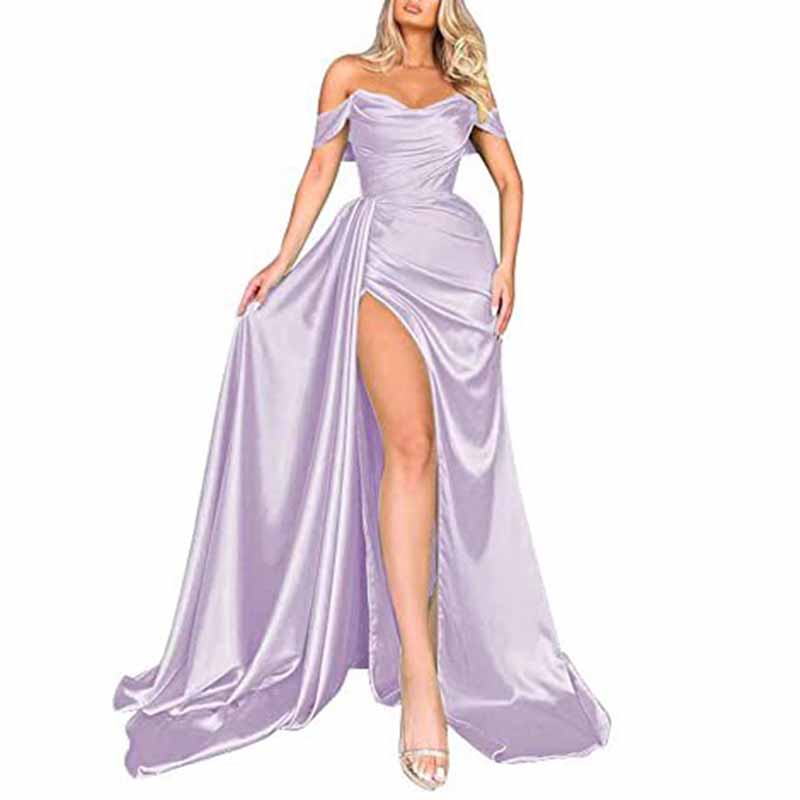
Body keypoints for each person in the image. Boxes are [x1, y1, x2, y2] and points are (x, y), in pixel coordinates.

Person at [113, 0, 610, 789]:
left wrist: (510, 269)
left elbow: (512, 181)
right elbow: (319, 171)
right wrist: (281, 261)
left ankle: (437, 639)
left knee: (448, 463)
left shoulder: (467, 84)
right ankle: (419, 675)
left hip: (457, 270)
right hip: (375, 258)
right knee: (409, 444)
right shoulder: (348, 74)